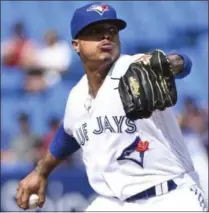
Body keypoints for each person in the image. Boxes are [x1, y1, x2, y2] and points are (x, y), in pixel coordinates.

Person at [16, 2, 208, 211]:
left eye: (112, 31)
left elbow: (183, 63)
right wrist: (41, 172)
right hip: (113, 203)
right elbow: (69, 133)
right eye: (96, 32)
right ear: (76, 44)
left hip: (170, 195)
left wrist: (172, 63)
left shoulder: (134, 68)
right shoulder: (77, 96)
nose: (106, 36)